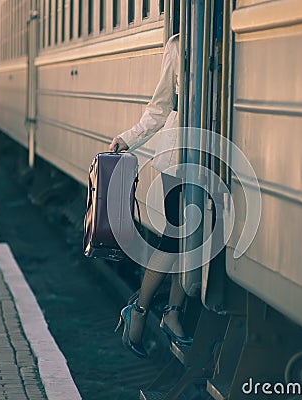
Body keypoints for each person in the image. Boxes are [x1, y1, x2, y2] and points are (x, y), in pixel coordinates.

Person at [109, 34, 193, 358]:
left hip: (211, 157)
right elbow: (160, 107)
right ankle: (140, 310)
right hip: (177, 156)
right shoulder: (177, 44)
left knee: (193, 241)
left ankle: (171, 312)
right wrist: (128, 138)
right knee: (175, 238)